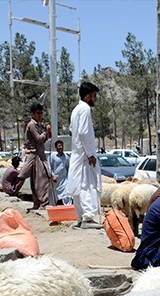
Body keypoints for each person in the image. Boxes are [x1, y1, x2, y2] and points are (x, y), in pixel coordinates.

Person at [67, 82, 103, 229]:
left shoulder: (76, 109)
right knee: (87, 185)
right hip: (84, 155)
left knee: (78, 185)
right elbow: (83, 132)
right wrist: (89, 154)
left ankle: (81, 218)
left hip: (77, 153)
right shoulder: (85, 109)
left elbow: (72, 129)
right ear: (87, 96)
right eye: (94, 96)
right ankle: (88, 217)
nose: (95, 99)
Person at [19, 102, 54, 211]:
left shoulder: (37, 125)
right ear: (33, 114)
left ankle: (37, 203)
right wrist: (45, 132)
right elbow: (38, 139)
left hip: (40, 155)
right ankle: (43, 202)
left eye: (41, 113)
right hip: (36, 156)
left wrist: (48, 133)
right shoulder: (32, 125)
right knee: (42, 181)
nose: (40, 115)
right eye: (38, 113)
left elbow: (43, 139)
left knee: (37, 181)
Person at [49, 139, 71, 205]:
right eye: (59, 146)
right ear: (56, 148)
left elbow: (68, 168)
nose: (61, 147)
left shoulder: (66, 157)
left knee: (66, 193)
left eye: (62, 146)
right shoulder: (52, 156)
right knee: (53, 195)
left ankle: (67, 207)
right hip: (55, 179)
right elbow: (49, 167)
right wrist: (52, 176)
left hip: (64, 179)